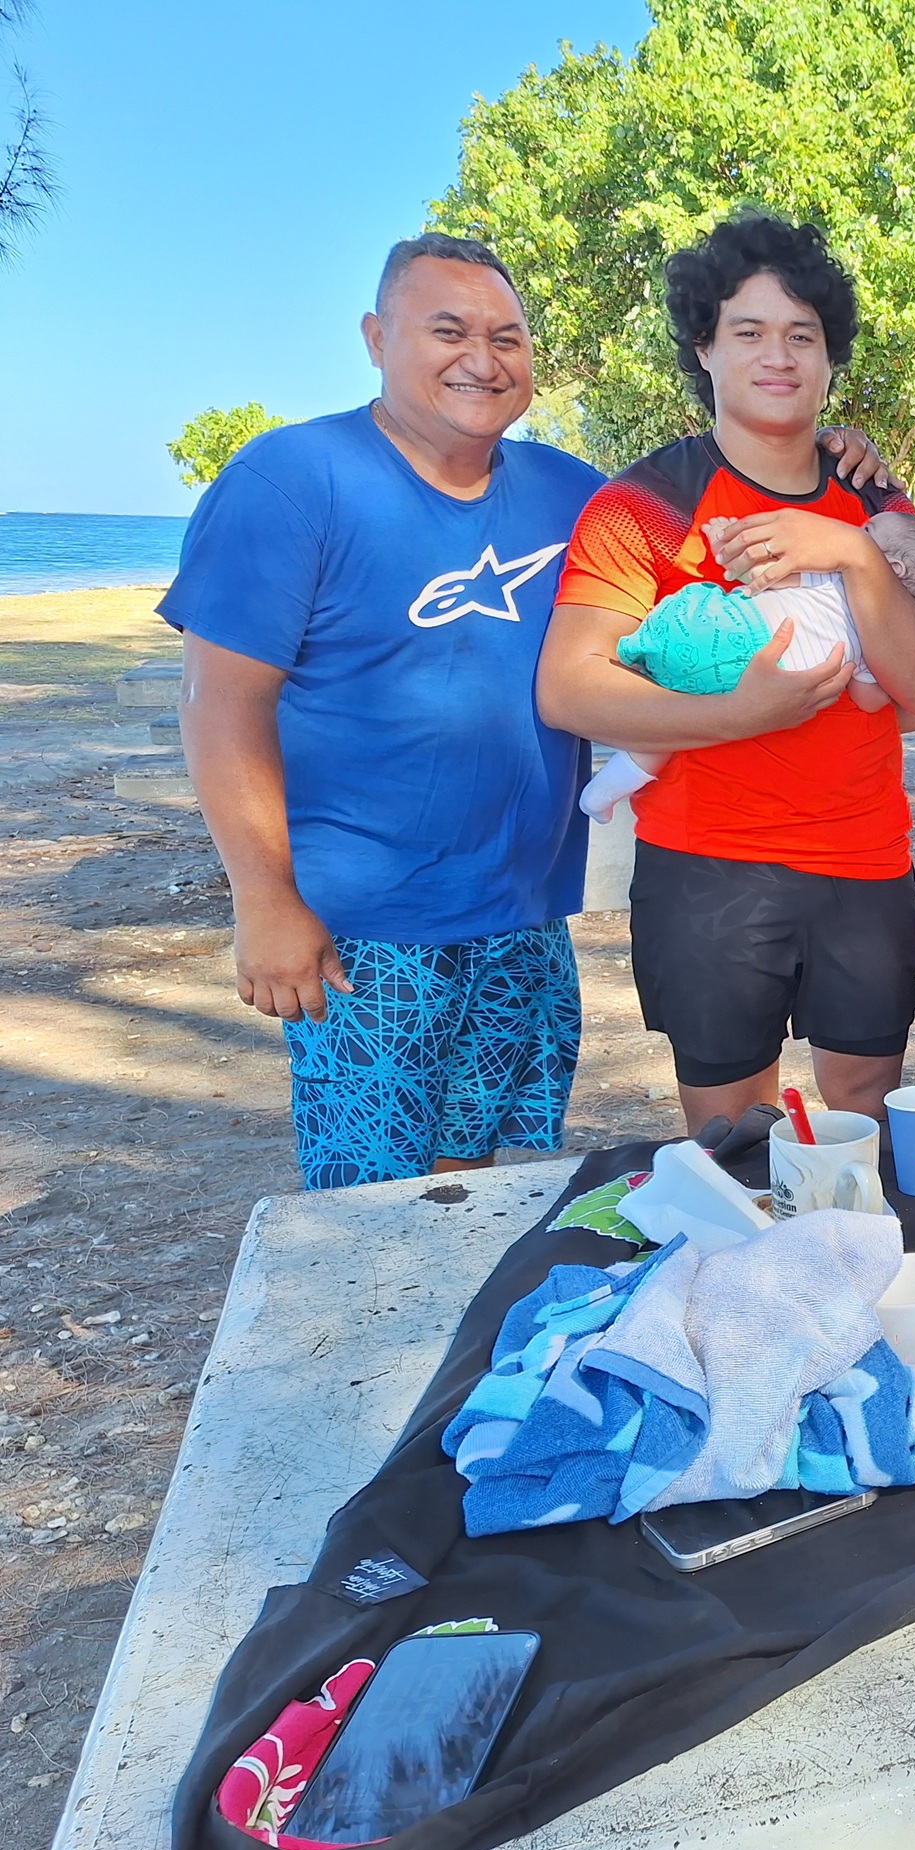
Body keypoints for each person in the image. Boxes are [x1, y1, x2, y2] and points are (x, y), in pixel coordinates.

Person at [163, 234, 607, 1190]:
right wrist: (265, 897)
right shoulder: (292, 479)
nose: (481, 359)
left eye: (508, 337)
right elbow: (219, 701)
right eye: (447, 330)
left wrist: (838, 454)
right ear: (376, 335)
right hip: (365, 930)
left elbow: (709, 522)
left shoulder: (572, 493)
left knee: (473, 1178)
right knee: (370, 1205)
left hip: (520, 914)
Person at [537, 213, 915, 1132]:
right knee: (733, 1133)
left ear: (831, 356)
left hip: (864, 863)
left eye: (802, 335)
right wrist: (744, 711)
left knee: (862, 1118)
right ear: (705, 348)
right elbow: (568, 686)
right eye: (750, 332)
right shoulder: (643, 503)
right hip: (707, 870)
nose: (779, 356)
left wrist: (851, 551)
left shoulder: (877, 504)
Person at [577, 507, 915, 822]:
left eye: (867, 531)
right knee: (666, 738)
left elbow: (759, 576)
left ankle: (633, 651)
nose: (854, 530)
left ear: (893, 568)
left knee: (676, 694)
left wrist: (726, 542)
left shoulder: (827, 574)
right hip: (754, 676)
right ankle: (602, 795)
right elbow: (870, 700)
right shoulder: (879, 645)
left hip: (729, 629)